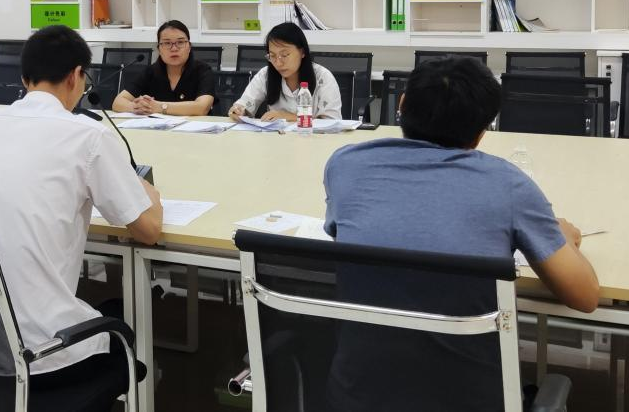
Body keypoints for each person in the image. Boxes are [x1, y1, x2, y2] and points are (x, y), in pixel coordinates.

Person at [322, 56, 600, 411]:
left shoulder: (345, 166)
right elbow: (585, 296)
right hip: (472, 400)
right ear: (483, 131)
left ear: (401, 105)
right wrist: (560, 236)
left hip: (356, 396)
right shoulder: (507, 185)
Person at [0, 25, 162, 411]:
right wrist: (150, 193)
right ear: (76, 76)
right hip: (39, 356)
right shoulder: (88, 135)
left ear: (24, 78)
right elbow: (148, 231)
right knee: (121, 328)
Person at [227, 22, 342, 122]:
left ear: (302, 52)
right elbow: (244, 104)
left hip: (312, 139)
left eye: (285, 55)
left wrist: (288, 117)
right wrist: (239, 110)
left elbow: (332, 122)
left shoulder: (323, 77)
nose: (278, 63)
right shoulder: (265, 75)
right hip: (276, 138)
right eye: (272, 56)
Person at [112, 20, 214, 116]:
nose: (174, 48)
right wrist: (137, 107)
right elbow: (117, 102)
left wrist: (160, 107)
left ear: (189, 47)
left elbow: (202, 108)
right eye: (167, 43)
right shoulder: (150, 72)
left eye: (180, 42)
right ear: (159, 49)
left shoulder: (202, 70)